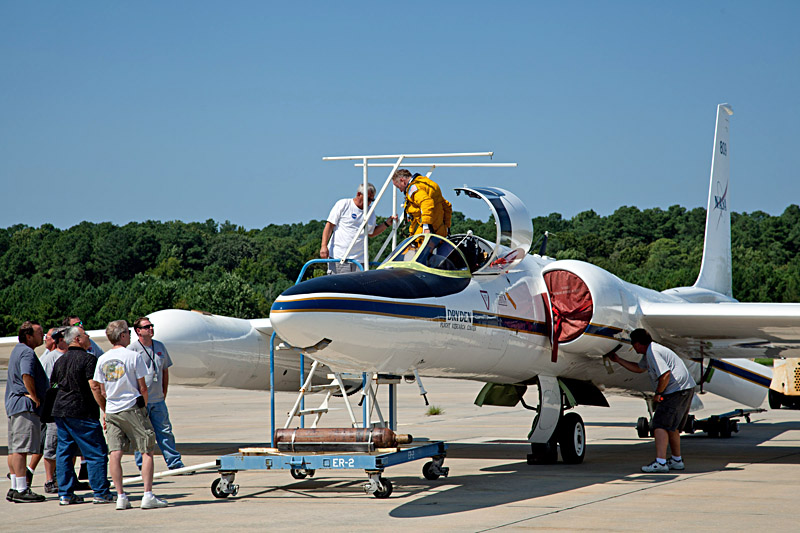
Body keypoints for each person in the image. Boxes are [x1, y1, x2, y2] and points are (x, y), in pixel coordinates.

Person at [94, 320, 167, 510]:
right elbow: (142, 386)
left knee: (115, 453)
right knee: (146, 450)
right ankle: (148, 494)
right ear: (123, 335)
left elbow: (101, 389)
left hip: (112, 409)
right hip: (132, 407)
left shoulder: (102, 359)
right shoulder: (133, 356)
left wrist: (106, 409)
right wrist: (143, 406)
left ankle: (120, 496)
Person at [608, 328, 696, 473]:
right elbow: (639, 368)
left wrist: (658, 394)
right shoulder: (651, 351)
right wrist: (618, 360)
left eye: (632, 344)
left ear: (637, 344)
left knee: (659, 425)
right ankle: (676, 460)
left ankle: (660, 463)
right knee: (672, 427)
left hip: (676, 391)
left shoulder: (653, 352)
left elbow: (665, 374)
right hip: (684, 389)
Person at [50, 326, 115, 505]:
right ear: (77, 339)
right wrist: (105, 409)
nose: (88, 337)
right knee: (96, 451)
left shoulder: (60, 361)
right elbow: (94, 386)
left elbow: (53, 385)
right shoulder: (88, 360)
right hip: (81, 412)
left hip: (61, 411)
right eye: (86, 335)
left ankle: (65, 493)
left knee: (64, 452)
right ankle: (101, 492)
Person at [129, 316, 185, 471]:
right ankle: (142, 467)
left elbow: (165, 371)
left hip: (158, 399)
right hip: (140, 401)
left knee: (165, 432)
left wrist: (164, 392)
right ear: (138, 331)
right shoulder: (132, 350)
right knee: (142, 435)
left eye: (151, 326)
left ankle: (174, 463)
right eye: (147, 327)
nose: (151, 329)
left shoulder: (160, 346)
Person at [5, 321, 48, 503]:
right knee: (22, 448)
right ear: (29, 336)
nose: (43, 336)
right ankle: (22, 488)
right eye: (39, 333)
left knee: (15, 448)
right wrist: (34, 396)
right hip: (24, 406)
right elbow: (26, 374)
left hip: (15, 405)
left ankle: (15, 486)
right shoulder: (27, 352)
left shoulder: (18, 350)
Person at [320, 183, 396, 274]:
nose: (369, 202)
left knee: (357, 287)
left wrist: (386, 224)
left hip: (360, 260)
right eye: (368, 199)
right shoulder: (343, 204)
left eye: (372, 200)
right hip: (340, 256)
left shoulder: (370, 211)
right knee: (340, 287)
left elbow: (371, 233)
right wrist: (323, 246)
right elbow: (329, 225)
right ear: (359, 194)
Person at [30, 327, 69, 494]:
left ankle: (65, 478)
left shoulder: (70, 356)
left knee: (68, 446)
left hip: (70, 409)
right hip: (54, 408)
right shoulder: (50, 359)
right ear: (60, 340)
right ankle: (49, 480)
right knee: (51, 446)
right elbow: (47, 385)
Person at [391, 169, 452, 237]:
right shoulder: (429, 184)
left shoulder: (413, 188)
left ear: (402, 181)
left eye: (398, 186)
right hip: (439, 232)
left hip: (424, 234)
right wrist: (446, 227)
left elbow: (427, 203)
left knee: (410, 248)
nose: (401, 190)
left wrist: (426, 227)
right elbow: (447, 206)